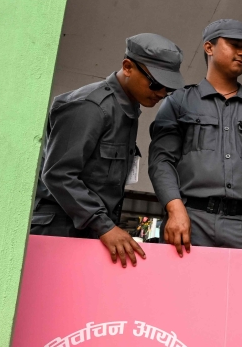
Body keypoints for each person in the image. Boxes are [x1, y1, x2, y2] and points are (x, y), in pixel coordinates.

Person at [31, 33, 184, 267]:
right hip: (60, 231)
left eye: (168, 89)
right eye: (156, 84)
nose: (161, 94)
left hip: (91, 231)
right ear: (128, 66)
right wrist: (105, 226)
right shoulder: (90, 106)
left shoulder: (128, 110)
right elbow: (57, 174)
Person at [149, 19, 242, 253]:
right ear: (209, 47)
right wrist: (174, 210)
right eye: (234, 45)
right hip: (190, 221)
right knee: (185, 290)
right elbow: (161, 161)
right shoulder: (179, 101)